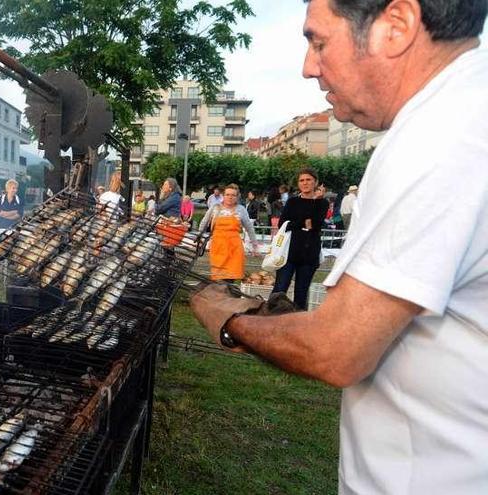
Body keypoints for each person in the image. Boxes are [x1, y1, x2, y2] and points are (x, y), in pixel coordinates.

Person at [190, 1, 488, 493]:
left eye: (319, 41)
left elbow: (336, 350)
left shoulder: (443, 138)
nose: (309, 67)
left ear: (396, 27)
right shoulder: (464, 112)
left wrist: (229, 320)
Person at [270, 168, 329, 309]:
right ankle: (270, 319)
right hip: (289, 253)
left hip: (309, 254)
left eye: (308, 179)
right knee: (279, 289)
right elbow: (283, 224)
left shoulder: (322, 203)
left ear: (316, 182)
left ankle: (298, 325)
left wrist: (315, 202)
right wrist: (304, 223)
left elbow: (315, 224)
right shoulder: (292, 202)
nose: (305, 183)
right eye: (302, 180)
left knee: (301, 294)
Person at [199, 184, 258, 282]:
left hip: (234, 249)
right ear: (223, 195)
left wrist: (255, 245)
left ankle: (229, 295)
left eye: (233, 195)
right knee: (218, 278)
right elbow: (204, 223)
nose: (230, 197)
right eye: (227, 194)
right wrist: (199, 238)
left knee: (231, 278)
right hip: (218, 247)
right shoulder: (215, 208)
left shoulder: (241, 210)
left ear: (237, 196)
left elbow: (249, 228)